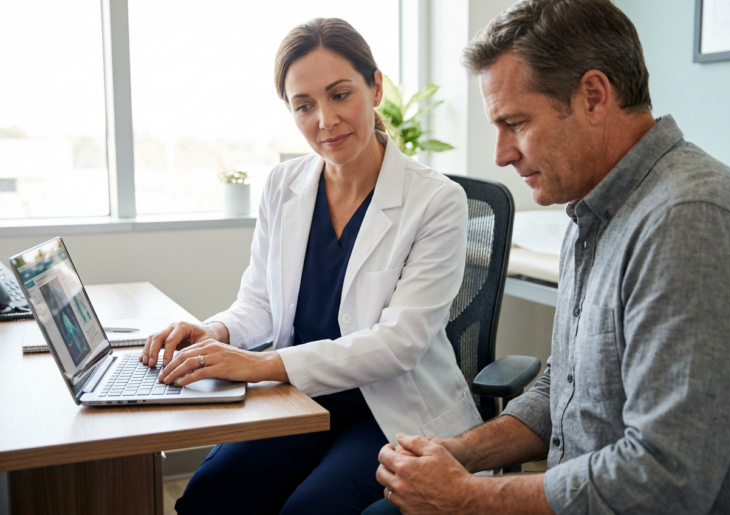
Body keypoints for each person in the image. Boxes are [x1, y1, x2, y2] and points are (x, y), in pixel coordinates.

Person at [365, 0, 730, 513]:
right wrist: (464, 450)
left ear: (594, 97)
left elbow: (665, 481)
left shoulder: (692, 220)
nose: (501, 154)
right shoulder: (592, 208)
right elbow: (568, 386)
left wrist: (468, 497)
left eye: (515, 122)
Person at [139, 17, 482, 515]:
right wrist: (214, 331)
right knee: (212, 494)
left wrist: (259, 365)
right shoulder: (284, 184)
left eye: (340, 95)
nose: (325, 120)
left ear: (375, 86)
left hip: (390, 413)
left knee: (310, 511)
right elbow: (258, 302)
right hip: (297, 401)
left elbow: (399, 344)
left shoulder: (436, 200)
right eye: (305, 106)